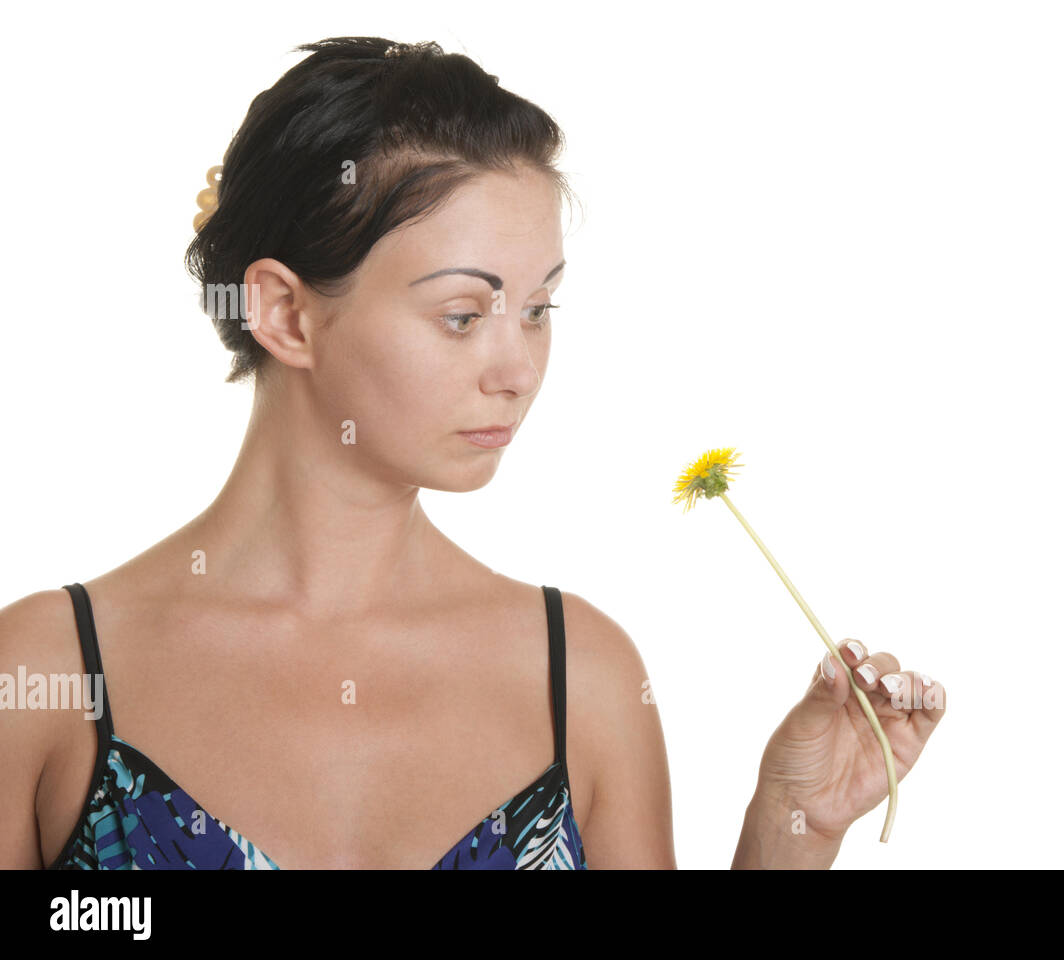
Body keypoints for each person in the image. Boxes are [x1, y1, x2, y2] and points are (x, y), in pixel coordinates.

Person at [0, 36, 945, 870]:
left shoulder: (583, 675)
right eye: (462, 314)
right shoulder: (44, 675)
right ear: (284, 312)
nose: (518, 368)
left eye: (539, 310)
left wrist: (793, 828)